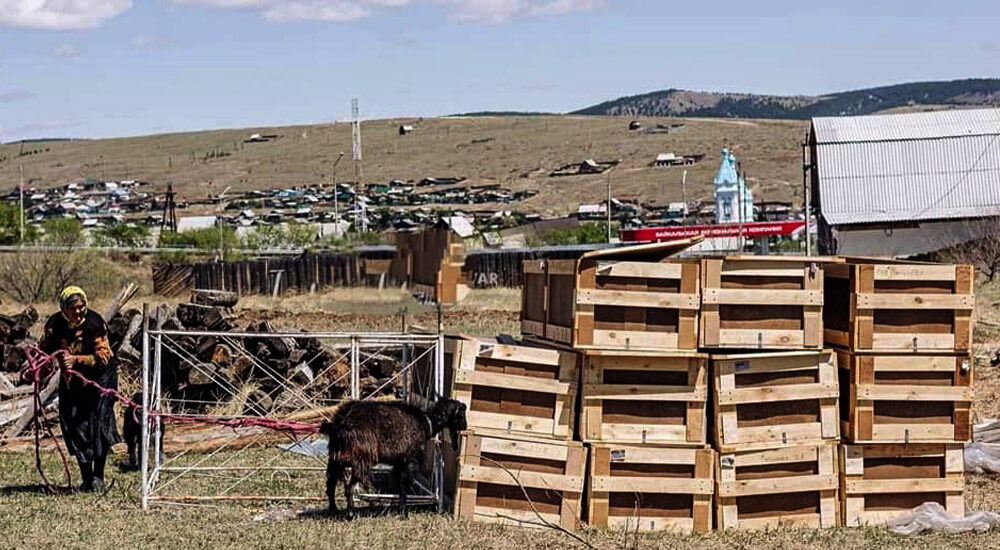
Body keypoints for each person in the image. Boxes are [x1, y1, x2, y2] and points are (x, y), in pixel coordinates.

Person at [40, 286, 120, 492]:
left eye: (81, 306)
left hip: (101, 378)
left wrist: (75, 359)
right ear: (63, 308)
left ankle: (98, 477)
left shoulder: (95, 323)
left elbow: (104, 357)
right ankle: (86, 479)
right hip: (73, 380)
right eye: (73, 308)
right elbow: (45, 349)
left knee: (99, 423)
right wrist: (39, 366)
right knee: (74, 423)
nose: (78, 311)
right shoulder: (54, 325)